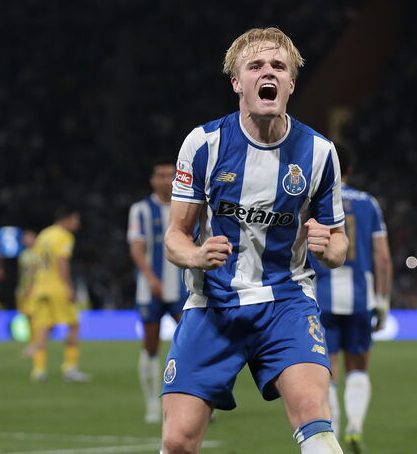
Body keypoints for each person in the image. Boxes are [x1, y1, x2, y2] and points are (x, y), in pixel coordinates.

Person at [162, 27, 349, 454]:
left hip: (286, 301)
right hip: (214, 306)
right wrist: (195, 254)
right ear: (237, 82)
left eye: (279, 66)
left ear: (291, 83)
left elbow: (339, 246)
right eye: (257, 66)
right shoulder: (204, 143)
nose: (269, 72)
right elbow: (175, 235)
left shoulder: (319, 153)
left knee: (315, 419)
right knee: (176, 442)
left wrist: (330, 247)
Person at [308, 143, 391, 453]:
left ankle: (334, 429)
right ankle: (355, 425)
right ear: (351, 170)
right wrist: (382, 299)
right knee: (359, 367)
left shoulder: (313, 201)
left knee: (326, 369)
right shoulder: (369, 203)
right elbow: (382, 256)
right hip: (360, 297)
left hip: (322, 296)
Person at [128, 159, 188, 424]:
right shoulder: (140, 210)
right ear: (153, 180)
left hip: (183, 288)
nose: (166, 180)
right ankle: (152, 405)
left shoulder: (186, 207)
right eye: (160, 175)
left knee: (192, 344)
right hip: (149, 289)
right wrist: (151, 278)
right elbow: (137, 248)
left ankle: (193, 405)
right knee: (151, 345)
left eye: (170, 175)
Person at [28, 207, 90, 382]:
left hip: (41, 287)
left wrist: (33, 286)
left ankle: (38, 370)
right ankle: (70, 368)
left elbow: (34, 263)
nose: (78, 223)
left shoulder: (43, 235)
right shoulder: (64, 236)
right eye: (75, 219)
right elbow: (61, 261)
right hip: (57, 288)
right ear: (66, 219)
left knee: (43, 328)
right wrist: (68, 286)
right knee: (74, 325)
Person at [16, 229, 39, 354]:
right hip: (24, 290)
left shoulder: (38, 253)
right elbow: (22, 274)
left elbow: (38, 274)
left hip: (34, 289)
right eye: (25, 238)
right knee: (28, 317)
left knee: (33, 316)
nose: (26, 240)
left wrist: (31, 288)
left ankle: (35, 344)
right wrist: (20, 289)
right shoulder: (24, 254)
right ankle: (32, 343)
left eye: (29, 238)